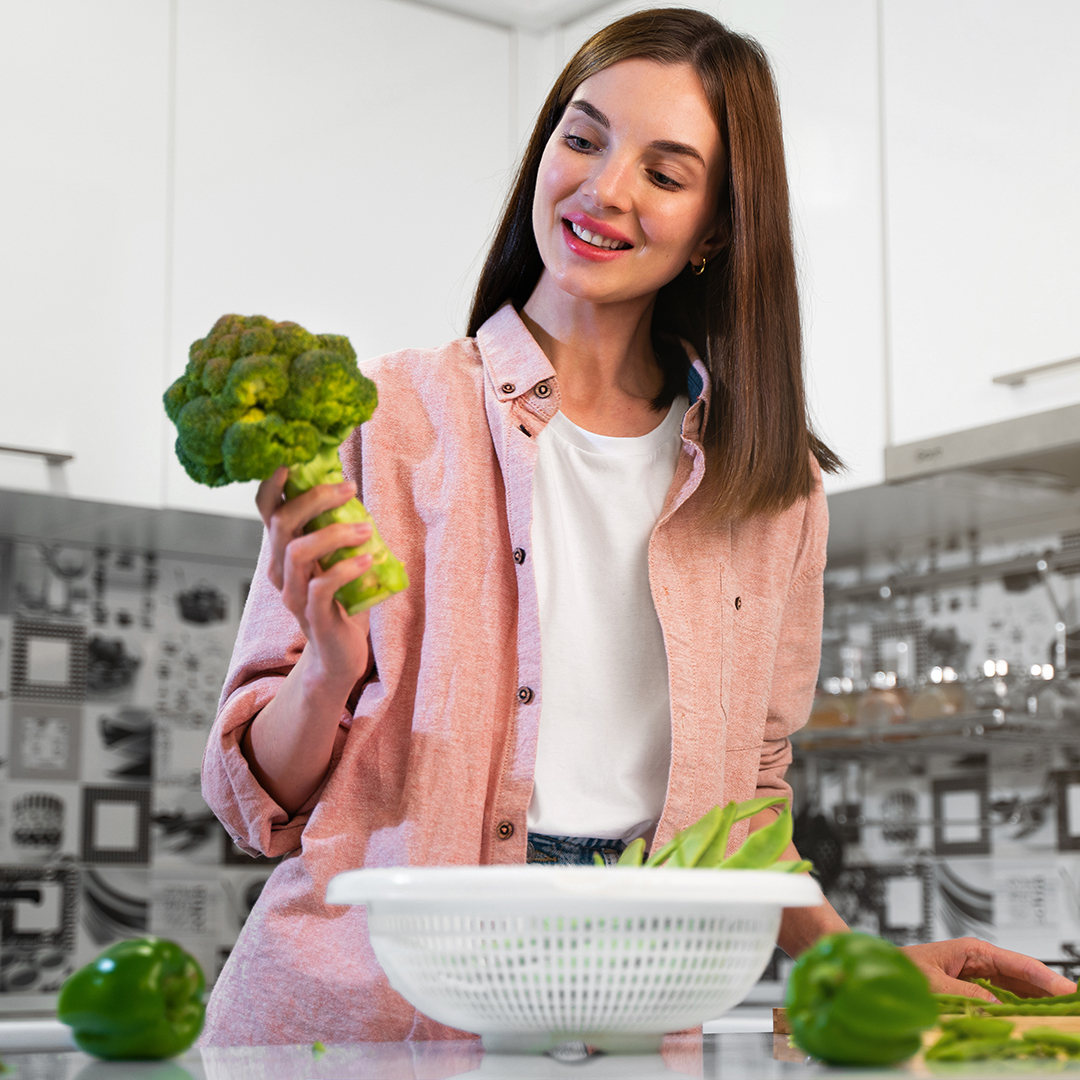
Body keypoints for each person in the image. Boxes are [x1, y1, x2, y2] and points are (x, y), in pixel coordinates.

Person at [200, 7, 1074, 1045]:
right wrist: (329, 667)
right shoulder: (382, 418)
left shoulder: (772, 484)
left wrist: (857, 961)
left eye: (664, 172)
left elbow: (743, 802)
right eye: (582, 137)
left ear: (715, 226)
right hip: (364, 1007)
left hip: (641, 987)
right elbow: (252, 799)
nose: (603, 189)